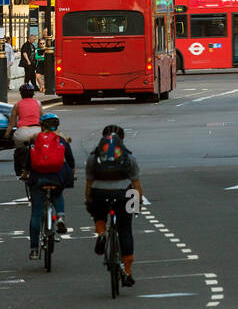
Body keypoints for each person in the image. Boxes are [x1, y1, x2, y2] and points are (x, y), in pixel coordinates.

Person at [86, 124, 143, 288]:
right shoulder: (128, 157)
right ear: (122, 139)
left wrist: (89, 201)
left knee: (98, 214)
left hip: (99, 193)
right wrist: (136, 204)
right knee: (125, 229)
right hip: (124, 194)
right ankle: (127, 271)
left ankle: (102, 234)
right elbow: (136, 184)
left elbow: (89, 184)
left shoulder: (94, 157)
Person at [22, 111, 75, 259]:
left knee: (36, 214)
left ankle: (33, 249)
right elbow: (70, 161)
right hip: (57, 178)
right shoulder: (62, 139)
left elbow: (29, 162)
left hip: (38, 179)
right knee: (58, 193)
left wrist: (25, 174)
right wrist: (71, 175)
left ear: (41, 126)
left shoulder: (34, 140)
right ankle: (60, 217)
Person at [6, 84, 42, 171]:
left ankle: (22, 170)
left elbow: (12, 124)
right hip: (37, 132)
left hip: (22, 132)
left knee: (20, 148)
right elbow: (42, 120)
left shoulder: (17, 105)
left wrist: (6, 135)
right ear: (33, 93)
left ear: (21, 94)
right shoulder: (38, 103)